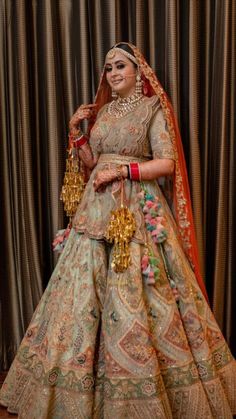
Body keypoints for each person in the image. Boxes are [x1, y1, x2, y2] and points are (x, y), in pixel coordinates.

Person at [0, 42, 235, 419]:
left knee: (141, 293)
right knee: (81, 294)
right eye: (108, 68)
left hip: (135, 209)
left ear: (139, 72)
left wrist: (123, 171)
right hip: (96, 212)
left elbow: (167, 163)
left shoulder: (152, 109)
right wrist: (77, 133)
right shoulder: (105, 112)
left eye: (120, 66)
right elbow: (93, 163)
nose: (112, 73)